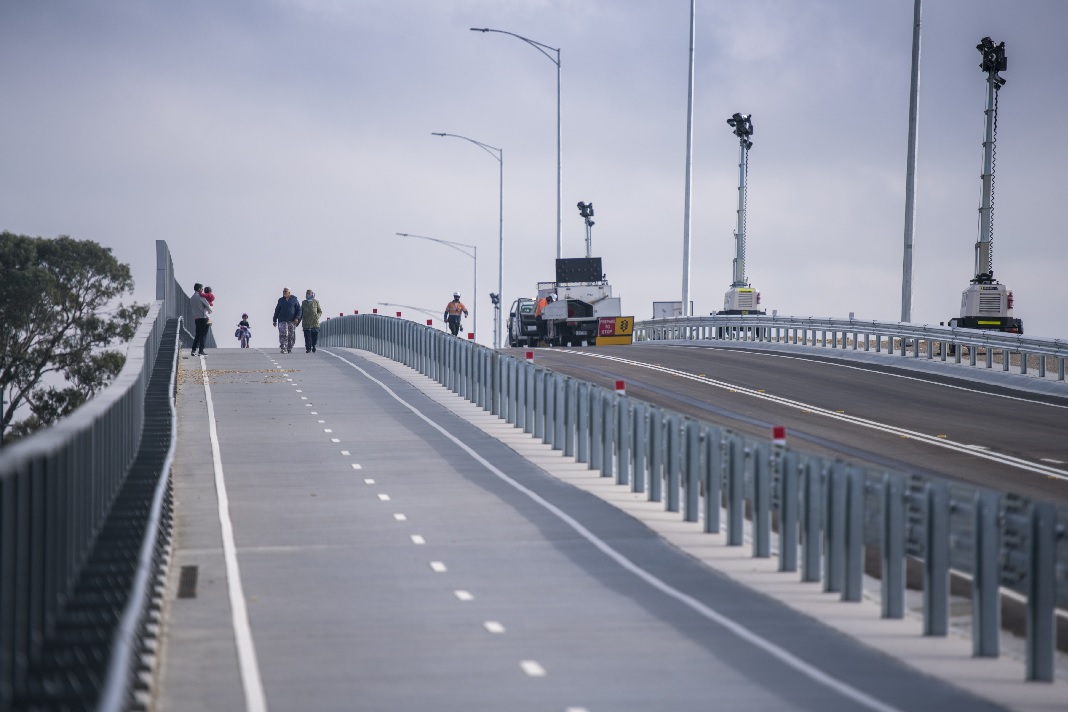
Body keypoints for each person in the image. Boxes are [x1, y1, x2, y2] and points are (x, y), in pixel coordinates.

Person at [272, 287, 302, 354]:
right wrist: (274, 320)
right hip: (282, 320)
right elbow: (277, 310)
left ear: (289, 293)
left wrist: (297, 318)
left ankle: (289, 347)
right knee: (283, 333)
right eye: (283, 291)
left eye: (285, 291)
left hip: (292, 320)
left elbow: (299, 310)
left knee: (291, 335)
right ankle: (283, 347)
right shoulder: (281, 300)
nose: (284, 293)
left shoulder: (294, 300)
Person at [189, 283, 212, 357]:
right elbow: (208, 306)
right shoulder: (201, 297)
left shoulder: (192, 298)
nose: (202, 290)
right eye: (202, 289)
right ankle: (201, 351)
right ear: (199, 289)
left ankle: (193, 350)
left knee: (197, 335)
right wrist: (210, 311)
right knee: (203, 335)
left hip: (197, 318)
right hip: (204, 318)